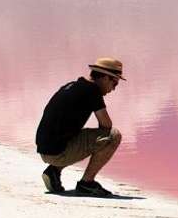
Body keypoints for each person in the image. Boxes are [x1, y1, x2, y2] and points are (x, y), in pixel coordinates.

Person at [36, 57, 125, 197]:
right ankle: (87, 183)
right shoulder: (92, 90)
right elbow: (106, 125)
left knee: (84, 136)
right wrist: (98, 141)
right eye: (115, 83)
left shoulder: (72, 85)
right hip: (57, 153)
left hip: (45, 149)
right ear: (106, 77)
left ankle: (54, 171)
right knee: (113, 136)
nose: (113, 89)